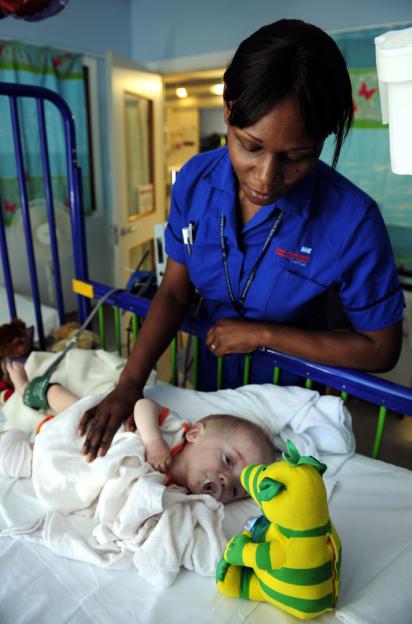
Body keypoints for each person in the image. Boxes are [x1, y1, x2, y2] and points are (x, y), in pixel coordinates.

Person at [80, 18, 404, 461]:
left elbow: (381, 349)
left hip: (293, 399)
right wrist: (129, 384)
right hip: (214, 383)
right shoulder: (196, 180)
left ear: (322, 141)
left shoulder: (352, 220)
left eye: (296, 157)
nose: (267, 179)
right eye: (250, 147)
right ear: (229, 110)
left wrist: (263, 334)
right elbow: (174, 292)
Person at [1, 362, 276, 504]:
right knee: (66, 402)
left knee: (20, 460)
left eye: (238, 490)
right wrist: (153, 441)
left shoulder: (180, 493)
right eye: (228, 460)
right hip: (94, 424)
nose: (226, 481)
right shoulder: (177, 432)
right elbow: (144, 406)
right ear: (195, 434)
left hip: (81, 455)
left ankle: (12, 434)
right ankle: (26, 387)